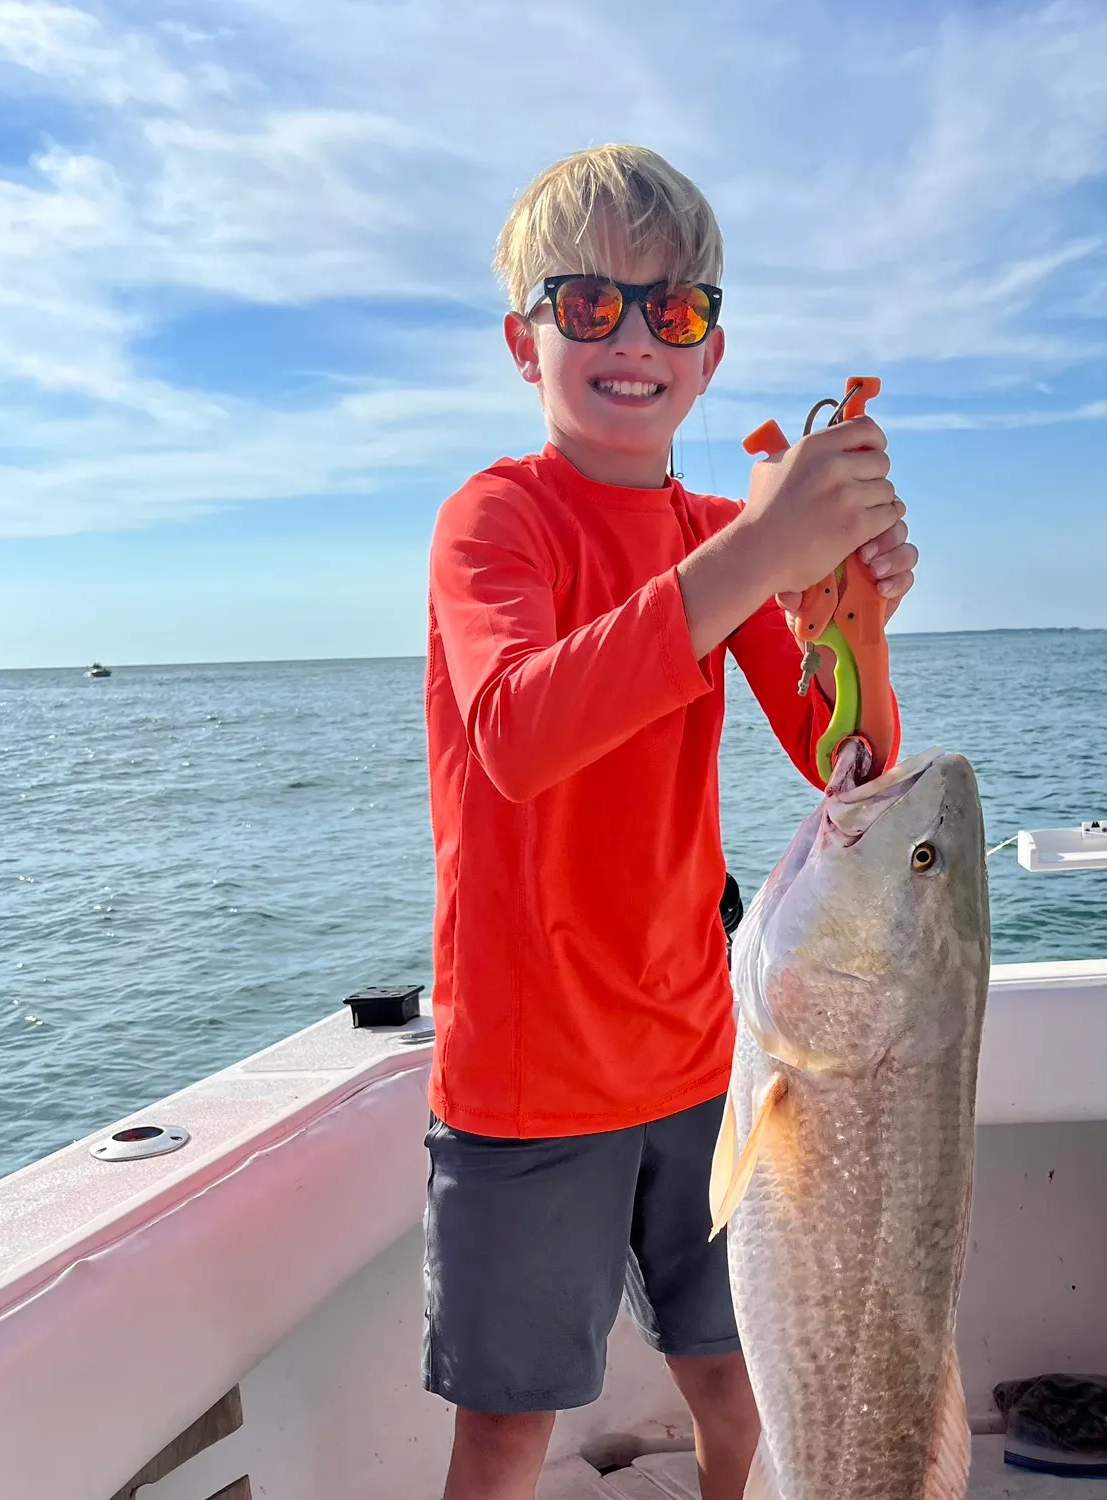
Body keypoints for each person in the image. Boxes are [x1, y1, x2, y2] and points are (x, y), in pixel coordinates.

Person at [422, 144, 918, 1500]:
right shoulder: (496, 521)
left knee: (734, 1375)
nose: (633, 336)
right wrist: (760, 552)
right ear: (525, 345)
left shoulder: (718, 532)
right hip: (527, 1080)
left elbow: (845, 762)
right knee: (507, 1431)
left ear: (708, 350)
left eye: (673, 308)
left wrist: (850, 608)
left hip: (705, 1054)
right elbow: (518, 733)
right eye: (587, 305)